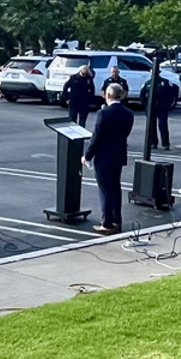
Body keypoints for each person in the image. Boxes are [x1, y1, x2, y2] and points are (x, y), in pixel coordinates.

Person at [83, 83, 133, 235]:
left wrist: (87, 155)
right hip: (118, 154)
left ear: (107, 95)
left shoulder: (103, 114)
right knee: (115, 188)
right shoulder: (128, 113)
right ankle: (117, 219)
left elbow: (97, 137)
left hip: (104, 156)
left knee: (105, 190)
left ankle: (107, 222)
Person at [147, 70, 175, 150]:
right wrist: (147, 105)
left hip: (162, 106)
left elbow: (170, 95)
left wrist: (166, 105)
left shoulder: (165, 82)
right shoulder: (148, 83)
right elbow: (143, 94)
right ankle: (153, 143)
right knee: (152, 126)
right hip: (152, 107)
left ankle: (165, 143)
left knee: (162, 125)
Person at [64, 63, 95, 127]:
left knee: (83, 120)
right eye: (83, 73)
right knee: (72, 119)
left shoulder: (88, 79)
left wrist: (90, 100)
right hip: (74, 101)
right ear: (80, 71)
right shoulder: (73, 77)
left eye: (86, 73)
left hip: (84, 102)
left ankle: (81, 133)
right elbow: (65, 87)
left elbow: (92, 90)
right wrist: (67, 98)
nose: (84, 75)